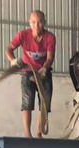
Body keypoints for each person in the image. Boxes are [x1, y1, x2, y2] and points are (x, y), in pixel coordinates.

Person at [5, 10, 56, 138]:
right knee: (27, 102)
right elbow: (9, 49)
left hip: (43, 72)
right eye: (33, 22)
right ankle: (27, 134)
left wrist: (44, 68)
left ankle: (39, 133)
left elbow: (50, 58)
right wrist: (13, 60)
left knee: (44, 104)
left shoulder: (50, 37)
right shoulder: (23, 35)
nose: (36, 25)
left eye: (39, 22)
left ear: (44, 22)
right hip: (28, 71)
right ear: (29, 22)